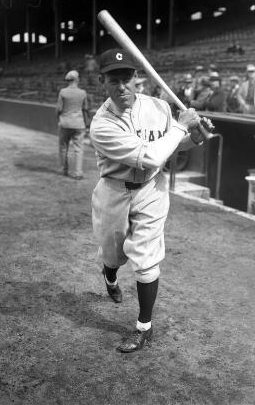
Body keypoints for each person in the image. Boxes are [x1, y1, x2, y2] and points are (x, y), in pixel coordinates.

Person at [90, 48, 210, 353]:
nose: (122, 87)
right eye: (114, 80)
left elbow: (170, 150)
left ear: (136, 78)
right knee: (112, 254)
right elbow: (153, 154)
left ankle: (144, 327)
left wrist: (194, 137)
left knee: (145, 260)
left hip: (152, 190)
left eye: (127, 78)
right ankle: (111, 275)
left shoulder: (157, 106)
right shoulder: (102, 124)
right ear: (102, 81)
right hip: (114, 190)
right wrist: (183, 124)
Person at [56, 70, 90, 180]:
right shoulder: (83, 93)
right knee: (79, 149)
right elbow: (85, 109)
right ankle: (78, 172)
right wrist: (86, 122)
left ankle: (64, 169)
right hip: (79, 124)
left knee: (63, 147)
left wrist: (58, 119)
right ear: (76, 79)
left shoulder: (63, 92)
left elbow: (59, 109)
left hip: (65, 123)